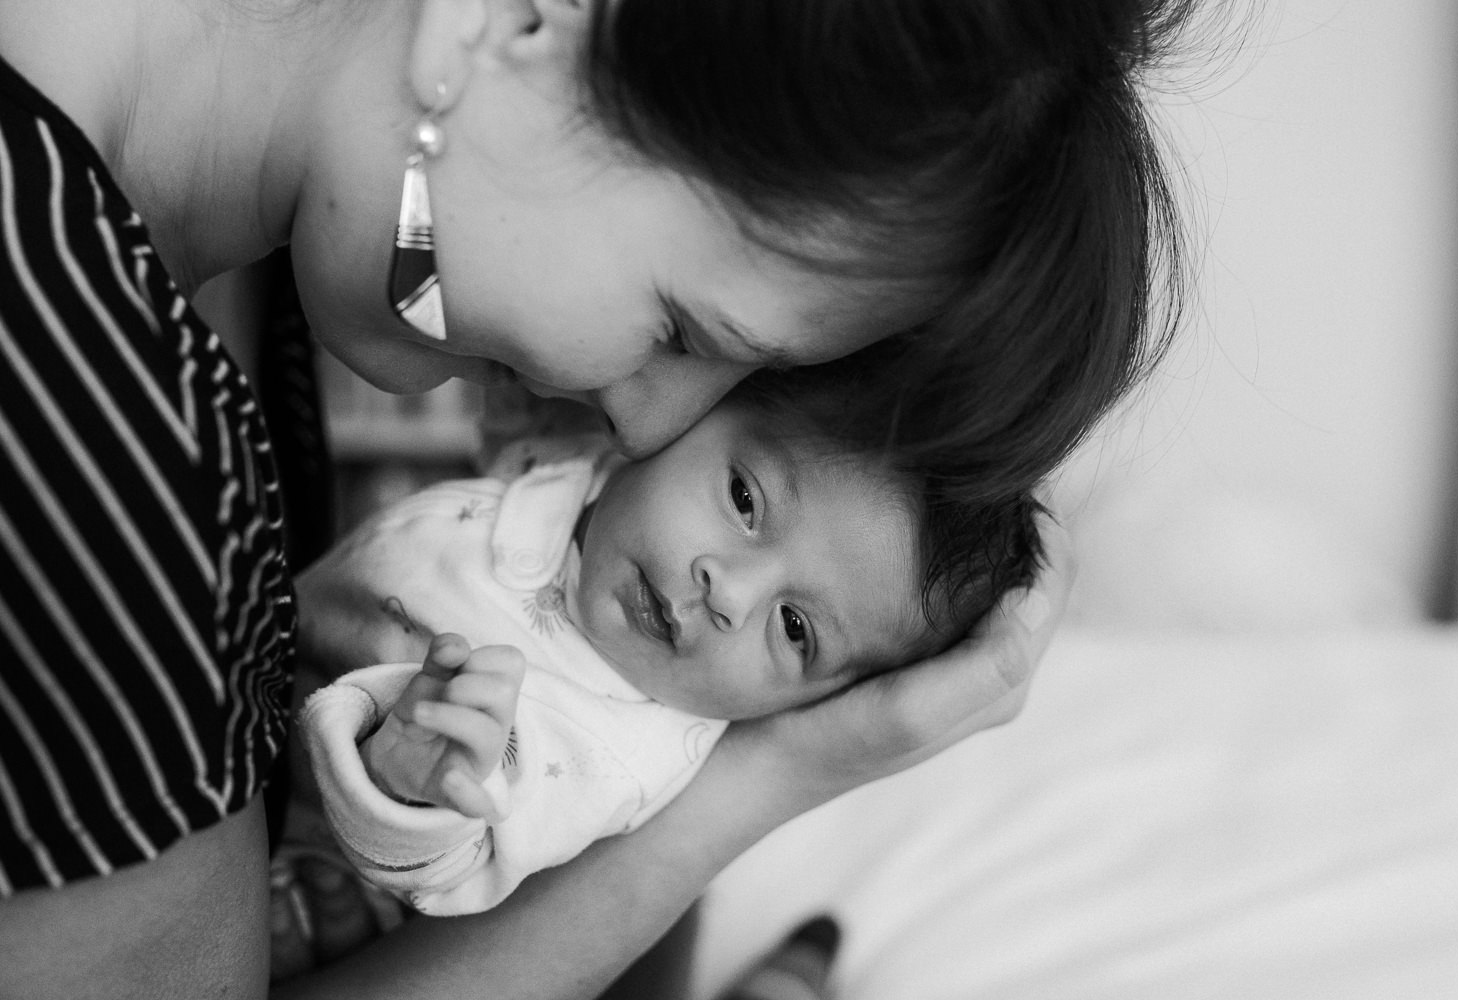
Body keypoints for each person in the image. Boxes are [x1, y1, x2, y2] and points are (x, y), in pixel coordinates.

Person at [0, 0, 1199, 997]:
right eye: (681, 328)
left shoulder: (202, 263)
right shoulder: (108, 435)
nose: (644, 419)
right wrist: (765, 780)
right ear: (521, 18)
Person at [292, 373, 1044, 923]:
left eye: (794, 629)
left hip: (295, 843)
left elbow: (450, 871)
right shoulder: (596, 464)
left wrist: (411, 788)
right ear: (688, 418)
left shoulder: (602, 750)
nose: (730, 595)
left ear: (813, 700)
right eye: (745, 501)